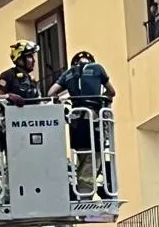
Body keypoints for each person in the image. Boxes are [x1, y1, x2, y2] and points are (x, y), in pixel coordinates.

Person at [47, 50, 116, 198]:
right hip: (93, 119)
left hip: (76, 120)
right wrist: (102, 99)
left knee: (82, 155)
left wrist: (61, 105)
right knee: (94, 157)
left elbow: (51, 93)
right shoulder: (97, 69)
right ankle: (85, 194)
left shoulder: (68, 73)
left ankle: (83, 187)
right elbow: (112, 91)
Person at [0, 40, 43, 105]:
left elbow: (39, 101)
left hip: (32, 114)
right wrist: (8, 96)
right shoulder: (8, 75)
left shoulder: (31, 79)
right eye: (29, 56)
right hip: (11, 114)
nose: (34, 60)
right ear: (19, 59)